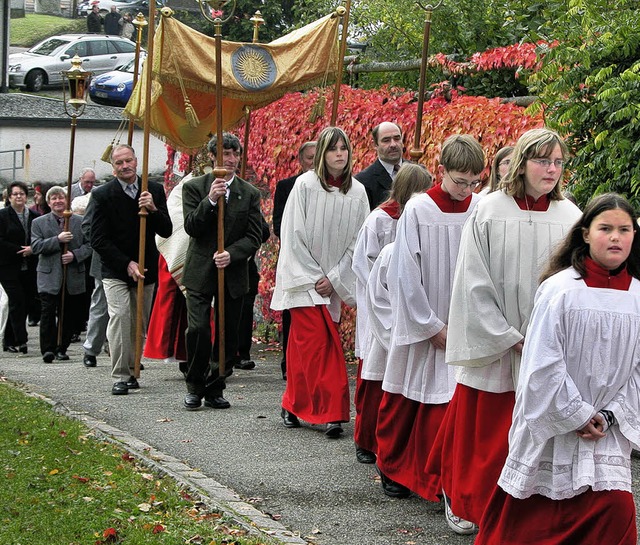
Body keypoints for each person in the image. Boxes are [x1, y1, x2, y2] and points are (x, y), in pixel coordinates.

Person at [425, 128, 583, 535]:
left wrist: (548, 338)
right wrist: (508, 335)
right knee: (487, 438)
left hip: (546, 345)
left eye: (558, 162)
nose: (551, 169)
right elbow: (472, 283)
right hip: (500, 345)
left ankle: (524, 514)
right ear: (523, 162)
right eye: (542, 160)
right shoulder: (490, 209)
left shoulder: (571, 217)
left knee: (536, 435)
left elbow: (575, 286)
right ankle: (469, 504)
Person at [475, 193, 640, 545]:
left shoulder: (638, 296)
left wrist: (609, 416)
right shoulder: (560, 290)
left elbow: (639, 371)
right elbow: (542, 365)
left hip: (607, 433)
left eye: (624, 229)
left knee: (615, 509)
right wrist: (578, 414)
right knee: (534, 522)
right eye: (605, 228)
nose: (615, 237)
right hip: (556, 430)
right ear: (584, 234)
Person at [376, 135, 484, 501]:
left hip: (465, 320)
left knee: (448, 405)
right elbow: (405, 271)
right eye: (459, 181)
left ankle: (438, 476)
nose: (465, 190)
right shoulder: (419, 209)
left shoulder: (479, 208)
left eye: (473, 182)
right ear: (441, 172)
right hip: (426, 318)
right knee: (407, 397)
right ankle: (391, 465)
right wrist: (430, 325)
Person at [271, 126, 369, 438]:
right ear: (323, 154)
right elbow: (293, 235)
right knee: (320, 348)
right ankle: (332, 412)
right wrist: (315, 278)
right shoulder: (304, 186)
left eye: (344, 148)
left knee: (305, 352)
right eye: (333, 149)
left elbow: (360, 241)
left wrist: (336, 277)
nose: (340, 154)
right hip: (304, 284)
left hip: (333, 284)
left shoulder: (357, 192)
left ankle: (292, 404)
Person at [352, 163, 433, 465]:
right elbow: (362, 263)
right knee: (375, 378)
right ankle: (366, 438)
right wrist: (384, 292)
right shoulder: (380, 220)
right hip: (381, 307)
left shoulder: (426, 220)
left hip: (411, 310)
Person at [181, 133, 263, 411]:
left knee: (228, 333)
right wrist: (211, 201)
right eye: (224, 154)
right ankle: (194, 384)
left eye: (234, 154)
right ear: (213, 157)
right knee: (199, 329)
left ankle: (216, 384)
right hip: (201, 270)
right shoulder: (194, 188)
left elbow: (255, 235)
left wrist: (233, 254)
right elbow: (192, 227)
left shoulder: (249, 193)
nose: (229, 160)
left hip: (233, 271)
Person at [90, 144, 172, 395]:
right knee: (120, 316)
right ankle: (120, 375)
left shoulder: (154, 190)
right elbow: (98, 238)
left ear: (136, 161)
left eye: (128, 161)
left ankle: (133, 367)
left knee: (138, 320)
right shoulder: (103, 195)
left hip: (145, 267)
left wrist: (154, 209)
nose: (125, 166)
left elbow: (166, 230)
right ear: (113, 168)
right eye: (119, 163)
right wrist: (126, 263)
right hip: (115, 269)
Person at [272, 140, 317, 380]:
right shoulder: (286, 186)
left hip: (322, 264)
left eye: (317, 157)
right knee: (292, 313)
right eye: (309, 158)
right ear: (301, 161)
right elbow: (279, 225)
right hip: (294, 260)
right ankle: (288, 363)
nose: (313, 162)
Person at [31, 186, 91, 363]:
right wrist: (57, 240)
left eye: (61, 198)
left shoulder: (79, 221)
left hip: (72, 275)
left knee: (69, 313)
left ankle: (62, 347)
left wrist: (74, 255)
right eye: (54, 198)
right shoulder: (38, 223)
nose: (58, 201)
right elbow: (36, 247)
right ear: (48, 203)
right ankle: (47, 349)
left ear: (67, 201)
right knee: (48, 312)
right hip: (49, 276)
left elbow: (90, 245)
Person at [0, 181, 39, 354]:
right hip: (8, 266)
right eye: (15, 194)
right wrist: (20, 251)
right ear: (9, 197)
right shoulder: (2, 216)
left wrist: (33, 250)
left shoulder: (34, 216)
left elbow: (38, 237)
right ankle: (21, 341)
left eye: (21, 194)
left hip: (29, 266)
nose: (18, 197)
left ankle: (8, 340)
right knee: (17, 301)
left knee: (26, 301)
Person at [355, 121, 405, 210]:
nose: (393, 144)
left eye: (397, 139)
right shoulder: (363, 181)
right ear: (374, 145)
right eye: (386, 140)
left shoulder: (419, 173)